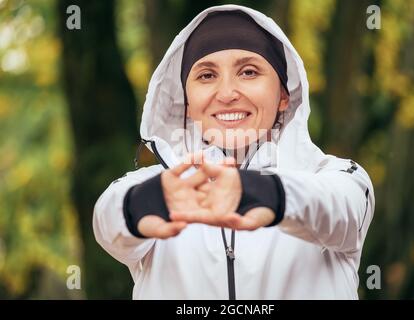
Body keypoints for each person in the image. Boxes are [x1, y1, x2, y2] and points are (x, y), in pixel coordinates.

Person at [93, 5, 375, 300]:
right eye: (206, 76)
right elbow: (107, 217)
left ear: (283, 95)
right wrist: (148, 203)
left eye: (249, 72)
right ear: (186, 103)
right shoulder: (159, 186)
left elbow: (343, 210)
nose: (227, 93)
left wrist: (265, 193)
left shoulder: (337, 177)